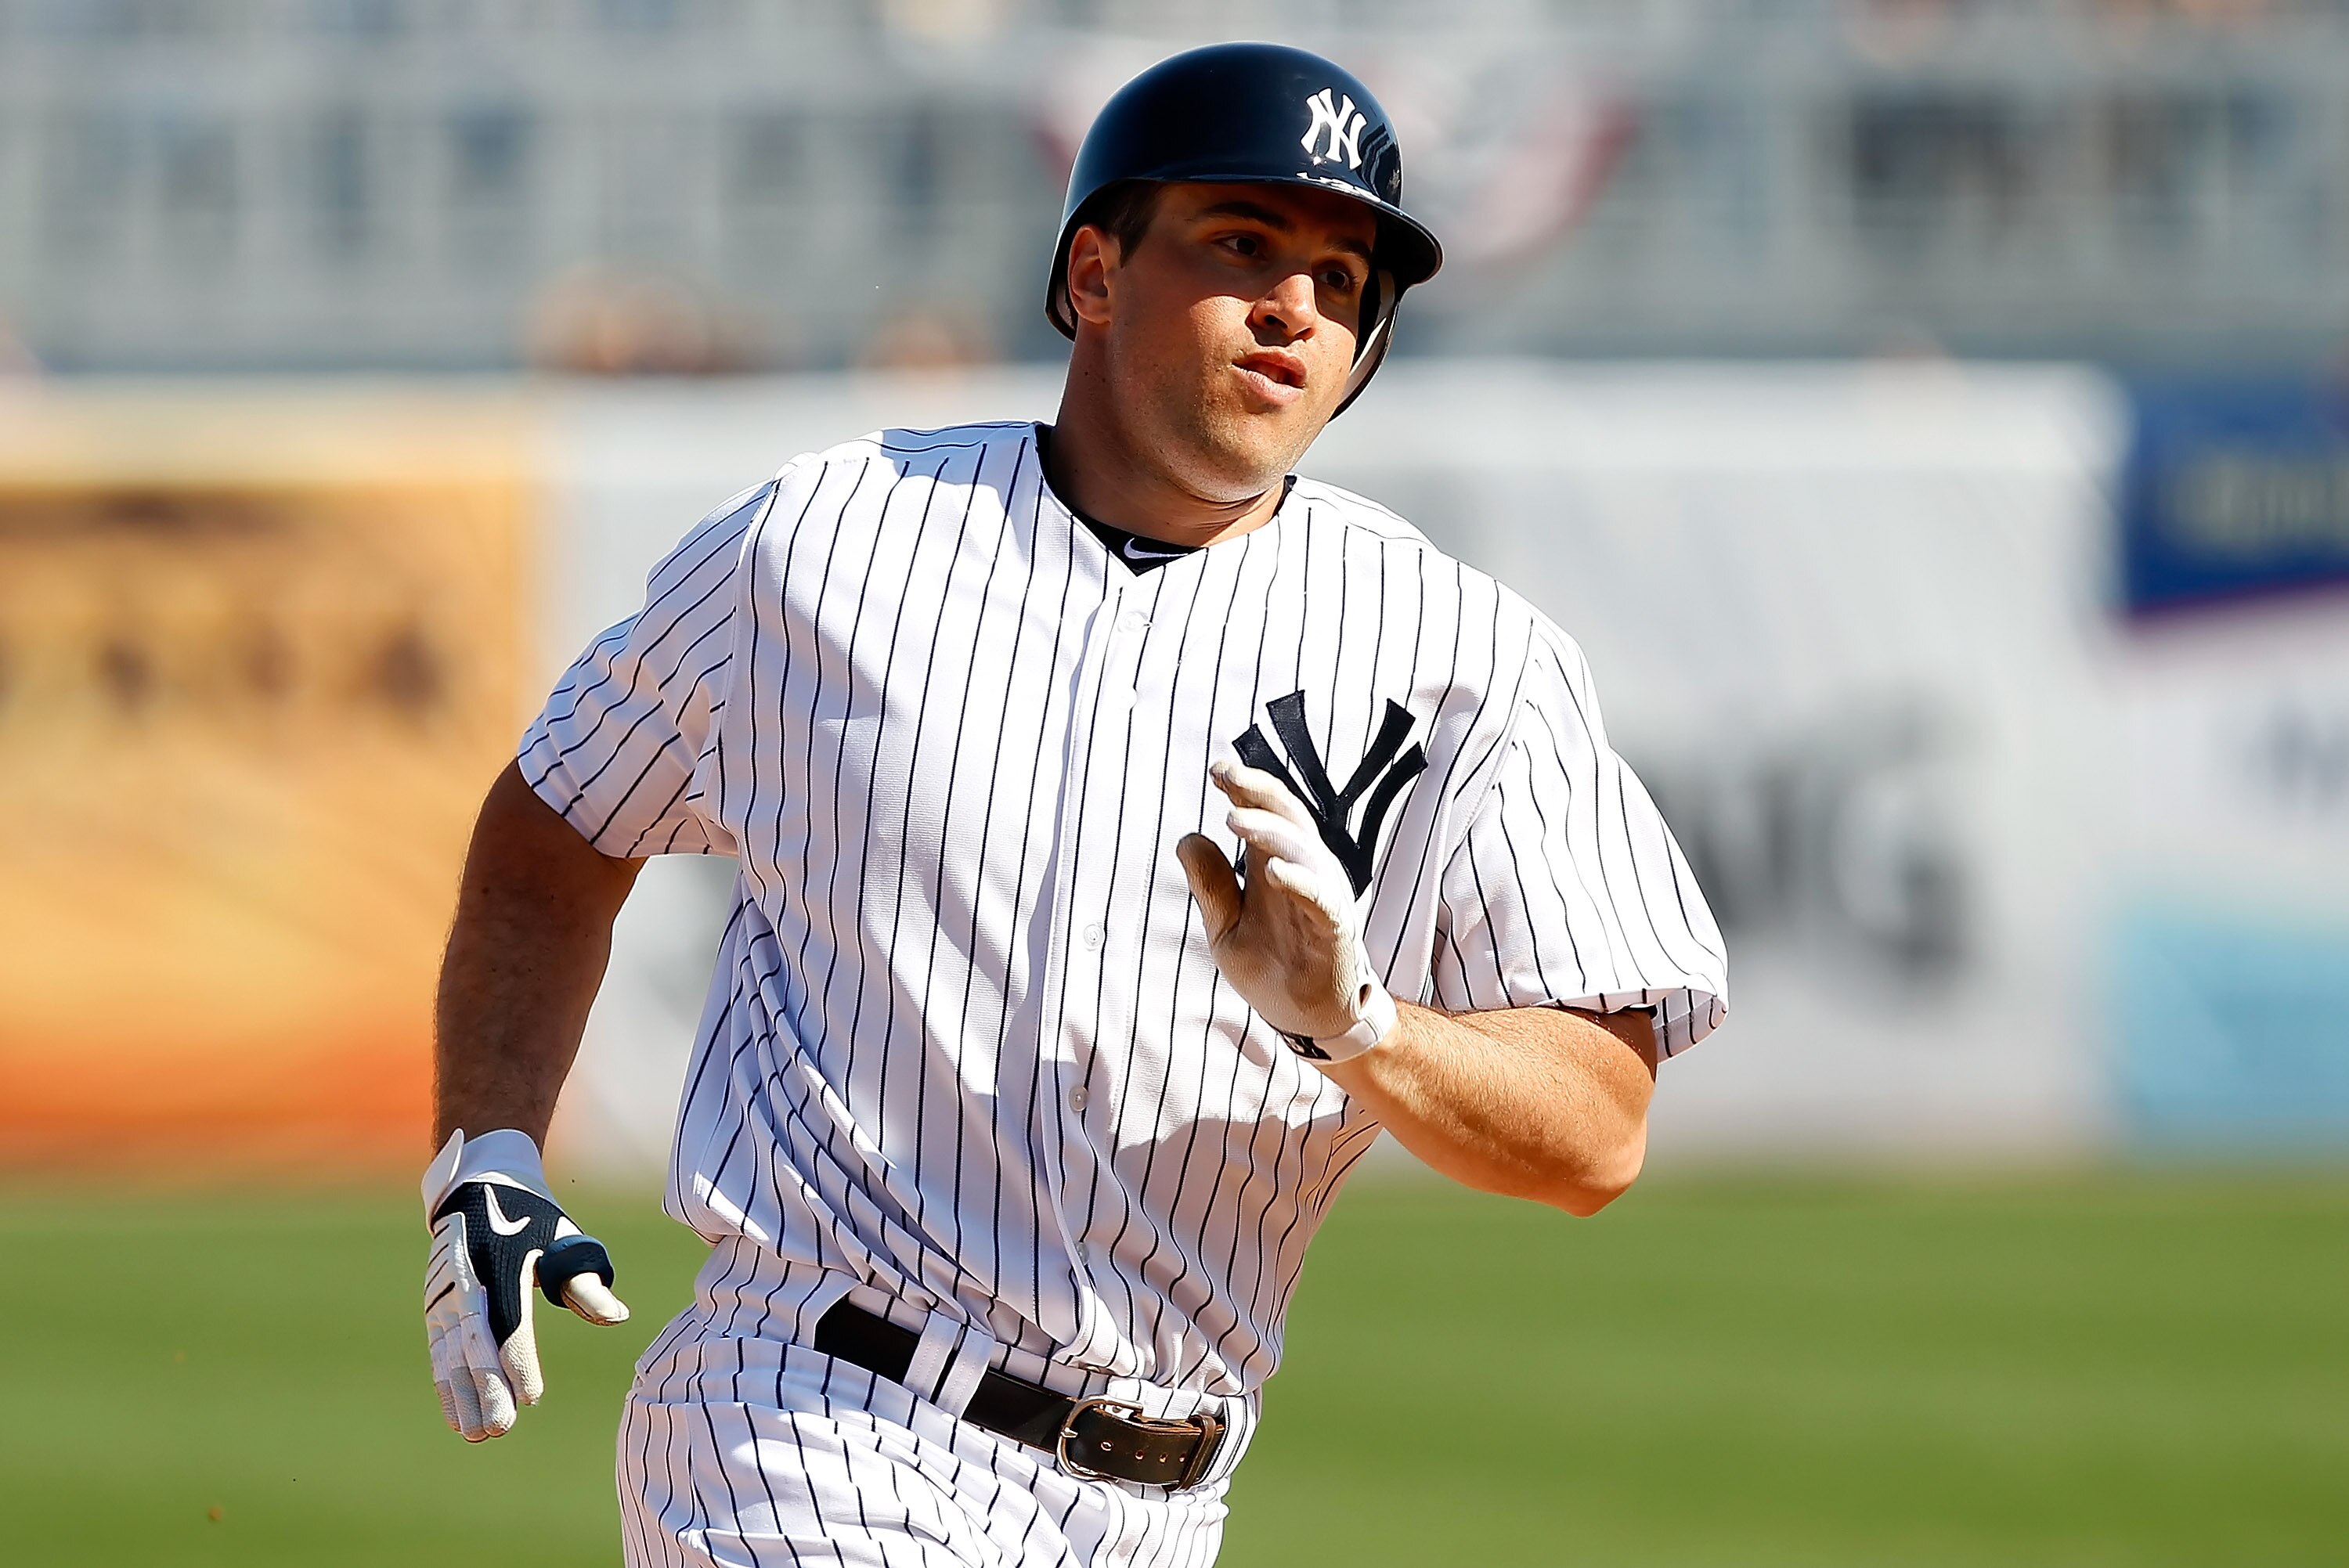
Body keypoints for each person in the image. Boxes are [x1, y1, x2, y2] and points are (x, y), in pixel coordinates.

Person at [421, 41, 1727, 1568]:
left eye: (1344, 273)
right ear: (1093, 273)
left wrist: (1365, 1024)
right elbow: (559, 824)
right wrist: (487, 1150)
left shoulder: (1464, 663)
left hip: (1163, 1497)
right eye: (1243, 243)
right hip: (806, 1413)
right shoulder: (827, 542)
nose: (1296, 305)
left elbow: (1597, 1129)